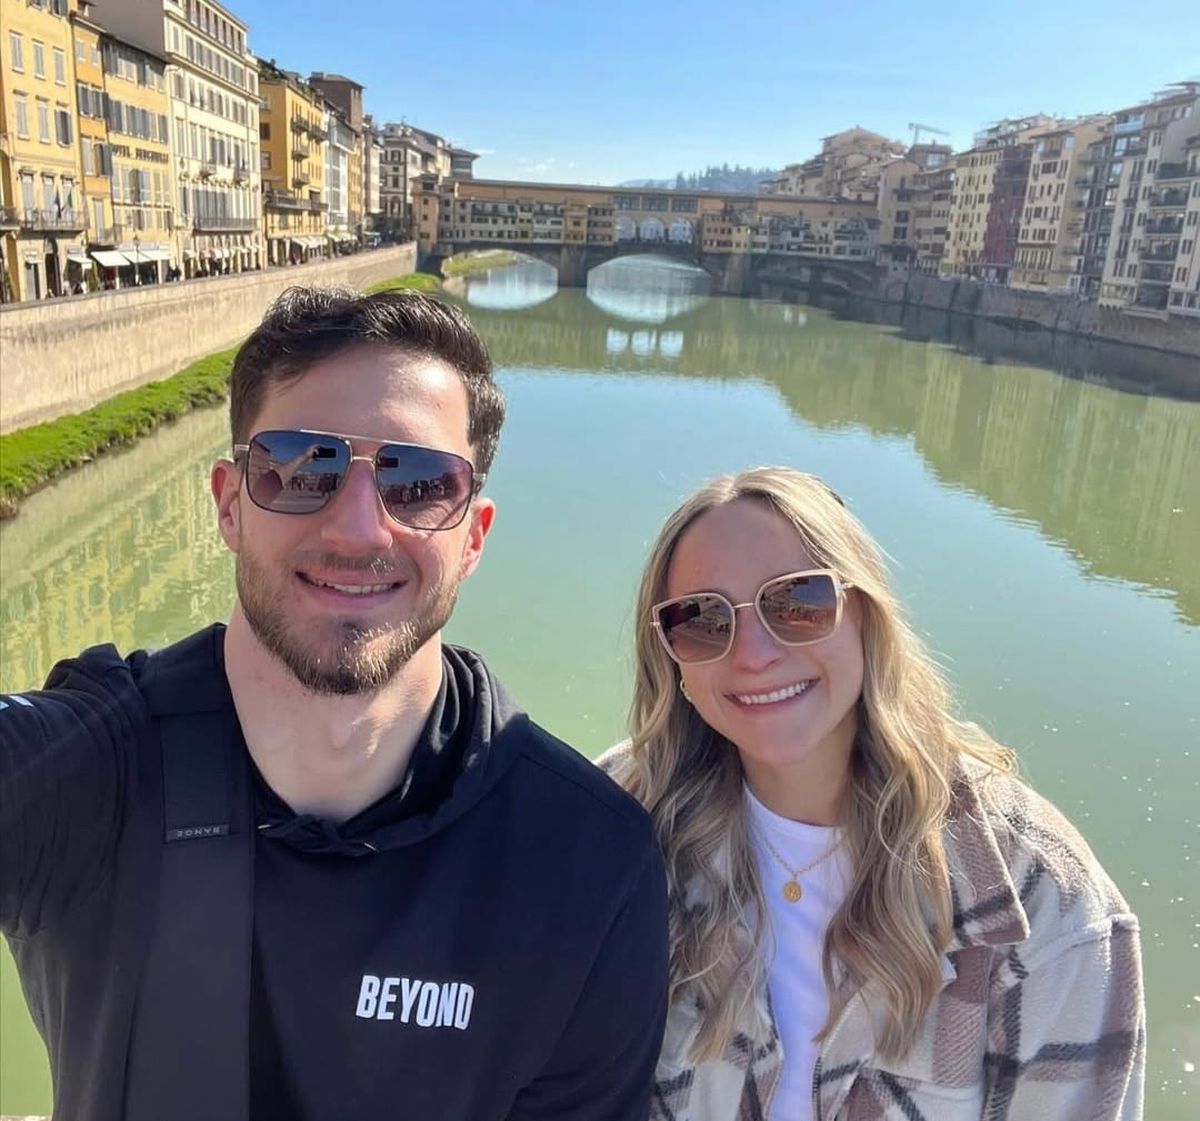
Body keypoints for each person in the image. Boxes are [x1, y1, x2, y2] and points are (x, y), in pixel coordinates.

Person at [1, 287, 668, 1121]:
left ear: (473, 537)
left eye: (419, 482)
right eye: (300, 466)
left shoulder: (585, 863)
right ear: (229, 504)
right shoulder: (80, 776)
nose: (359, 529)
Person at [601, 467, 1144, 1121]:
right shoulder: (612, 827)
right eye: (702, 620)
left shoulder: (1042, 899)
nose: (753, 653)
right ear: (669, 655)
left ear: (865, 613)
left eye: (797, 602)